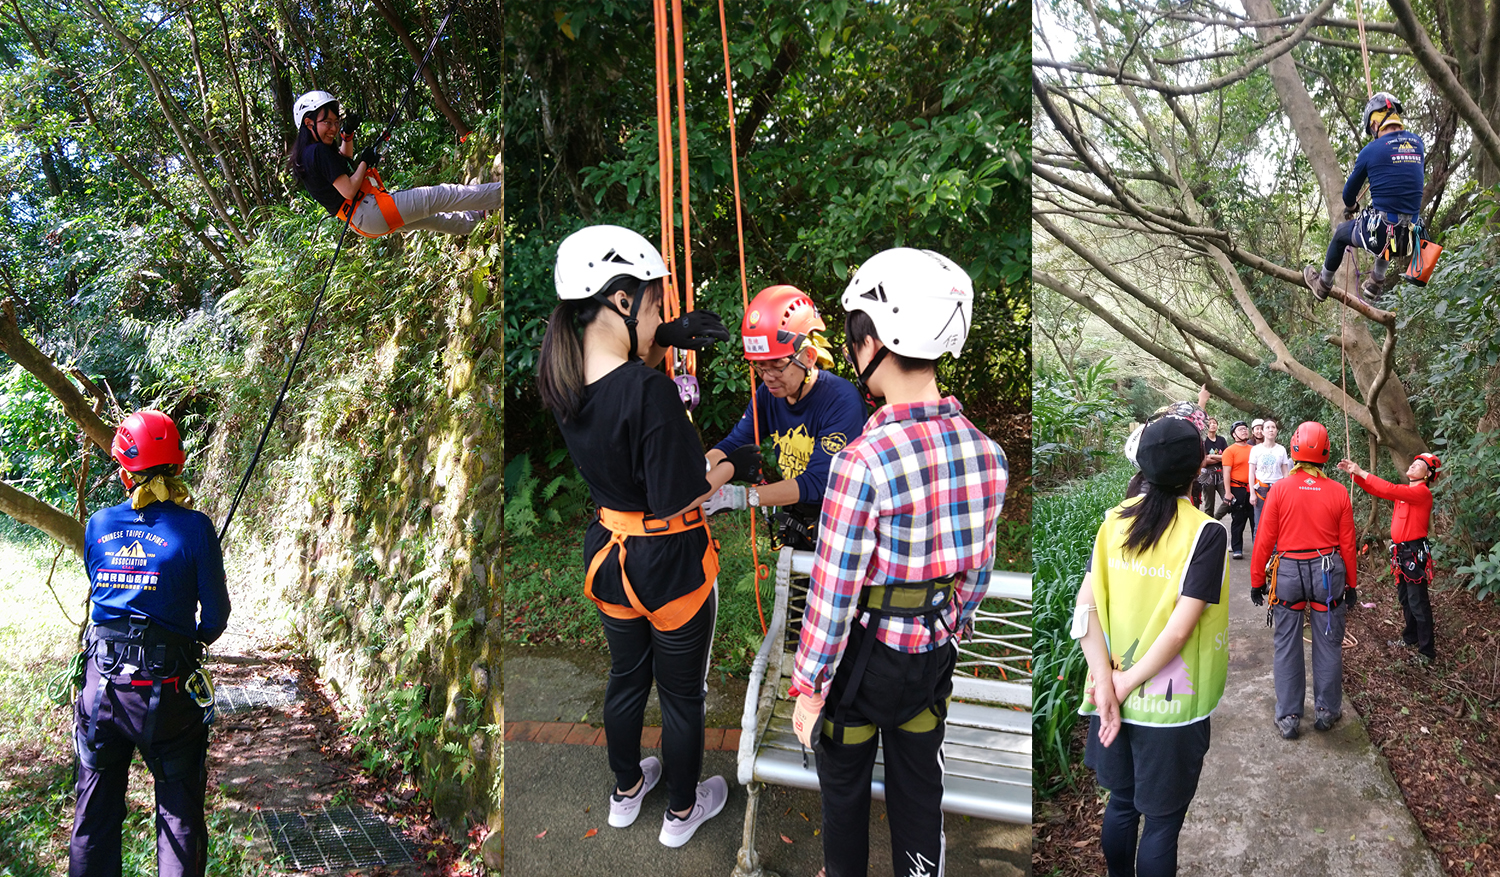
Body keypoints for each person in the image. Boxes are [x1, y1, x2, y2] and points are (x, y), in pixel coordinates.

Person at [787, 248, 1007, 877]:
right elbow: (977, 575)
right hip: (930, 660)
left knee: (846, 793)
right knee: (919, 792)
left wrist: (808, 689)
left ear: (877, 339)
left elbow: (833, 598)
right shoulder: (988, 454)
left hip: (860, 666)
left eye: (858, 335)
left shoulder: (863, 461)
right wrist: (944, 627)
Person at [537, 224, 755, 847]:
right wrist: (735, 463)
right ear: (622, 300)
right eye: (656, 304)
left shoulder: (563, 378)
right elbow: (684, 492)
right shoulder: (649, 391)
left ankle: (626, 790)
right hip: (669, 563)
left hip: (609, 556)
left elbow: (624, 410)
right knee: (683, 696)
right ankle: (683, 812)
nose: (664, 318)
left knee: (627, 678)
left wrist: (661, 335)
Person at [71, 410, 231, 877]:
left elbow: (103, 592)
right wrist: (192, 641)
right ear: (176, 466)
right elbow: (215, 616)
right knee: (178, 813)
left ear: (124, 471)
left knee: (93, 817)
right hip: (169, 688)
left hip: (103, 686)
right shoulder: (196, 528)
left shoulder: (99, 524)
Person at [1074, 415, 1230, 877]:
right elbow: (1180, 631)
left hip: (1108, 694)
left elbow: (1086, 610)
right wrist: (1122, 684)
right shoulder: (1206, 533)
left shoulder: (1113, 523)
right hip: (1172, 709)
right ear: (1199, 466)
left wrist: (1106, 682)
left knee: (1122, 804)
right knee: (1161, 824)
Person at [700, 285, 866, 550]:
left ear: (808, 357)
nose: (767, 378)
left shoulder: (841, 402)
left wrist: (743, 497)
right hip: (799, 521)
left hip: (841, 526)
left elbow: (819, 483)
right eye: (759, 367)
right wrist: (700, 472)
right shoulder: (768, 394)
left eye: (777, 366)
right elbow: (734, 444)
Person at [1251, 422, 1356, 739]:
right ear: (1326, 453)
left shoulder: (1280, 489)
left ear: (1294, 450)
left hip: (1288, 573)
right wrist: (1351, 584)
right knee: (1328, 642)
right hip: (1327, 572)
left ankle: (1289, 717)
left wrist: (1257, 581)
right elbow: (1348, 544)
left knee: (1286, 644)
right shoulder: (1338, 491)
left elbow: (1264, 540)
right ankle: (1327, 711)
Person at [288, 90, 501, 237]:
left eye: (336, 122)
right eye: (327, 122)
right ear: (308, 123)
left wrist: (348, 135)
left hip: (363, 222)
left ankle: (476, 220)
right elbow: (349, 190)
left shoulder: (309, 154)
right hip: (369, 209)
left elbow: (343, 163)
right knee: (443, 194)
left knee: (432, 219)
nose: (333, 128)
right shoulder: (317, 152)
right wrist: (364, 162)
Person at [1304, 92, 1425, 304]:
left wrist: (1351, 207)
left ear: (1375, 123)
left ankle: (1322, 285)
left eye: (1371, 129)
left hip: (1385, 235)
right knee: (1391, 224)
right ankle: (1375, 284)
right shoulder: (1418, 143)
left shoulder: (1371, 150)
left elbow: (1348, 195)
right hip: (1412, 239)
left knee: (1343, 233)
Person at [1338, 452, 1441, 664]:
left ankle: (1426, 652)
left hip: (1413, 552)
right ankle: (1410, 637)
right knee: (1405, 597)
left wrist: (1361, 471)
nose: (1412, 466)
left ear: (1428, 474)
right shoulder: (1406, 492)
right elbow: (1378, 489)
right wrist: (1355, 475)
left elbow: (1388, 488)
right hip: (1402, 552)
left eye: (1418, 465)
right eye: (1412, 462)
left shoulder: (1421, 493)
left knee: (1417, 601)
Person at [1219, 421, 1256, 559]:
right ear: (1234, 434)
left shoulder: (1254, 449)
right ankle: (1237, 548)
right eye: (1241, 430)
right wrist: (1227, 492)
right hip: (1237, 488)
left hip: (1252, 488)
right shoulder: (1230, 451)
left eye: (1245, 429)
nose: (1244, 431)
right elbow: (1226, 473)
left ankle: (1257, 547)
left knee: (1254, 519)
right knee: (1238, 519)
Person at [1248, 419, 1289, 529]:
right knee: (1259, 523)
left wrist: (1286, 491)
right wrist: (1252, 493)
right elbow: (1251, 472)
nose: (1271, 430)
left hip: (1277, 488)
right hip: (1261, 488)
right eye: (1268, 427)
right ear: (1262, 431)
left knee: (1277, 523)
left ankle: (1276, 547)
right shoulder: (1256, 450)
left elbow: (1285, 472)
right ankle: (1258, 546)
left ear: (1276, 431)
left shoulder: (1281, 450)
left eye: (1273, 427)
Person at [1198, 417, 1228, 517]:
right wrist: (1220, 457)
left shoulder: (1221, 440)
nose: (1212, 425)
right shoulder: (1203, 441)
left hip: (1221, 473)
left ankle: (1215, 520)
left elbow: (1227, 457)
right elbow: (1204, 461)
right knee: (1209, 506)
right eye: (1210, 423)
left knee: (1228, 501)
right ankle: (1209, 526)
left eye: (1214, 423)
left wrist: (1211, 456)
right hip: (1207, 475)